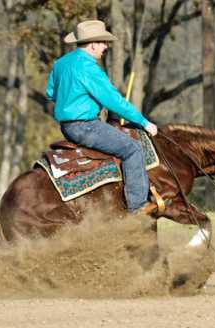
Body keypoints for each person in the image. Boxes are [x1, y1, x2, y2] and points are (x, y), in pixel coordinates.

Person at [45, 20, 158, 214]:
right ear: (92, 44)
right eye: (103, 42)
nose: (106, 46)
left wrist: (72, 99)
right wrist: (144, 122)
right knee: (133, 149)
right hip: (86, 126)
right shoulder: (90, 68)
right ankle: (138, 208)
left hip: (66, 126)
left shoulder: (61, 63)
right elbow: (114, 101)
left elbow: (51, 92)